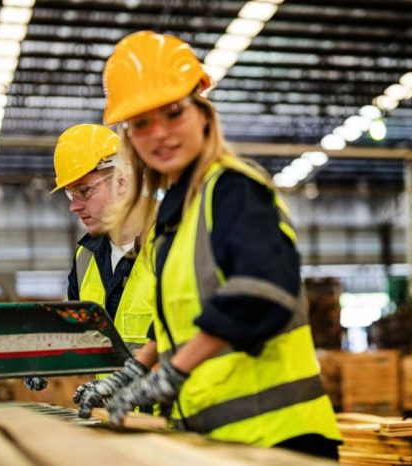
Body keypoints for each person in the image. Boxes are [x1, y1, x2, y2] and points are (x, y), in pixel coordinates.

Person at [72, 31, 341, 458]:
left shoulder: (234, 190)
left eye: (173, 114)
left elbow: (260, 292)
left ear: (203, 113)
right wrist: (133, 373)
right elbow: (179, 322)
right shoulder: (176, 218)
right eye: (142, 123)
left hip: (279, 439)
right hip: (222, 441)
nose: (159, 134)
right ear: (129, 139)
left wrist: (173, 372)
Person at [24, 124, 155, 391]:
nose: (73, 206)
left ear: (122, 181)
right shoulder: (86, 257)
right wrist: (45, 357)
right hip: (112, 420)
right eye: (70, 194)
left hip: (170, 425)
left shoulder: (169, 246)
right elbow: (73, 329)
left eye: (84, 191)